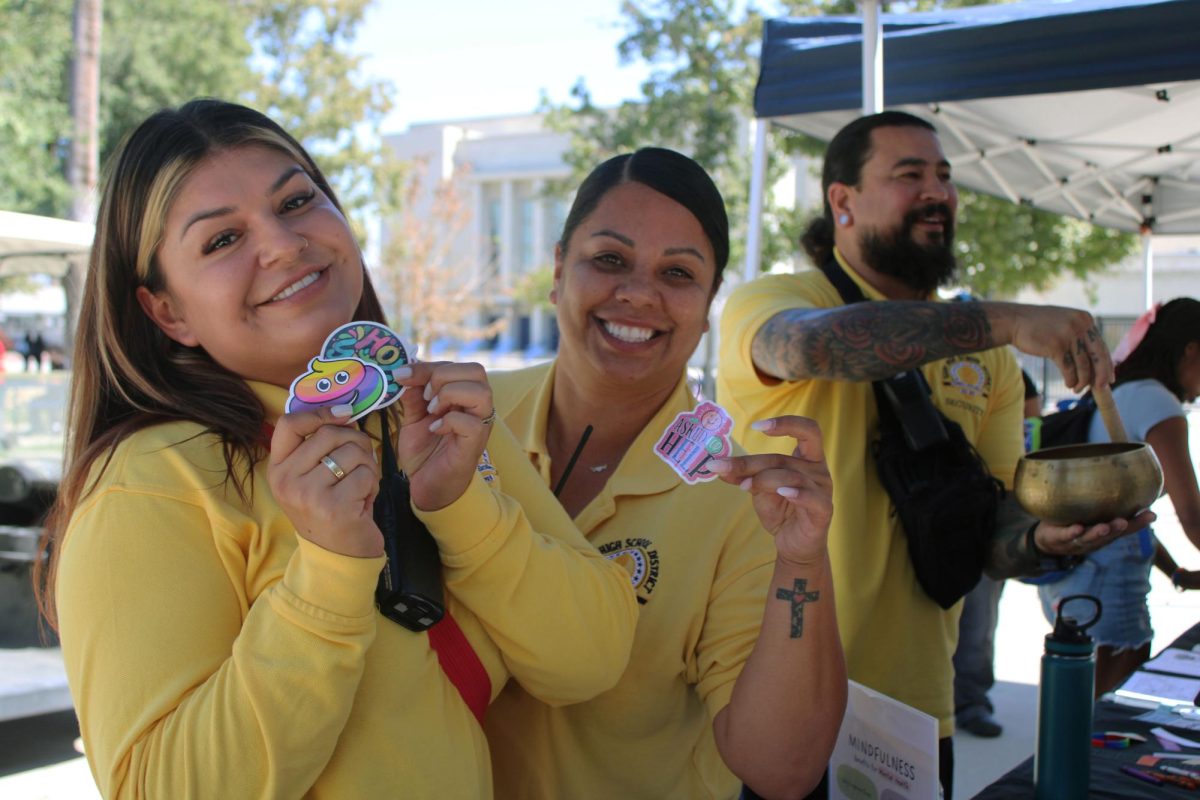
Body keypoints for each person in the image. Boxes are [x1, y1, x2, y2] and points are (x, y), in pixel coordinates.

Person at [34, 99, 639, 799]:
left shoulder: (434, 415)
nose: (285, 244)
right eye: (222, 241)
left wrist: (462, 508)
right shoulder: (152, 479)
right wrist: (326, 576)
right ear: (167, 311)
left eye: (296, 200)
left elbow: (591, 658)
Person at [716, 110, 1154, 798]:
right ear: (843, 202)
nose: (938, 192)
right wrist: (1007, 319)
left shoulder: (988, 357)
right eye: (909, 174)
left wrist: (1047, 535)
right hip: (780, 693)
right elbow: (812, 346)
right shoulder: (777, 300)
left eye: (946, 177)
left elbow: (992, 531)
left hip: (915, 713)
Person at [484, 147, 847, 800]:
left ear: (708, 304)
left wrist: (802, 563)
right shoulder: (466, 422)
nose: (639, 294)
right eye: (610, 260)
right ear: (559, 267)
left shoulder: (744, 498)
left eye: (677, 273)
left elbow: (781, 768)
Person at [1038, 297, 1200, 694]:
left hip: (1076, 574)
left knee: (1079, 711)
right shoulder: (1158, 403)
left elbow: (1128, 512)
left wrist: (1174, 572)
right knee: (1107, 718)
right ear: (1192, 350)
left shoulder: (1122, 392)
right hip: (1107, 582)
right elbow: (1192, 515)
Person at [952, 371, 1040, 739]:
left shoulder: (1007, 372)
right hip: (920, 503)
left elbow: (1031, 434)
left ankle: (970, 702)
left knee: (977, 620)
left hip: (986, 509)